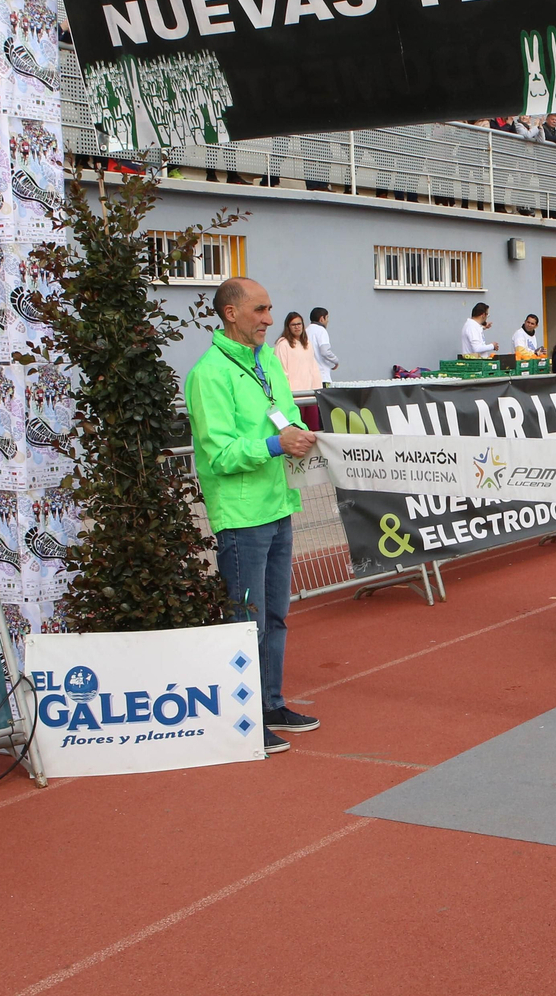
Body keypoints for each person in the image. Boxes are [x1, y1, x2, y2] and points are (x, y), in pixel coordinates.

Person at [184, 277, 319, 756]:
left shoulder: (265, 360)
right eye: (260, 310)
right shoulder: (208, 374)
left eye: (270, 309)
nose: (269, 318)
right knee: (248, 621)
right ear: (230, 313)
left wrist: (300, 434)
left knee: (277, 616)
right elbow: (218, 454)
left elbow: (284, 417)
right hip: (241, 517)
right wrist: (275, 444)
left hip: (278, 505)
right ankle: (246, 719)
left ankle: (271, 703)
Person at [273, 312, 323, 429]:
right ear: (288, 327)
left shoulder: (307, 344)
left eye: (299, 324)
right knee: (298, 429)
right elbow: (281, 371)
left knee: (313, 428)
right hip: (294, 396)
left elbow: (313, 368)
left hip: (309, 394)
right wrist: (286, 394)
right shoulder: (283, 344)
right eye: (293, 324)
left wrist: (317, 390)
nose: (297, 327)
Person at [307, 307, 339, 384]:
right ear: (322, 319)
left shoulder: (305, 331)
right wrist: (335, 361)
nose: (328, 321)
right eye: (327, 317)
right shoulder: (321, 330)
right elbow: (325, 351)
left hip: (309, 377)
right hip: (322, 376)